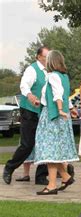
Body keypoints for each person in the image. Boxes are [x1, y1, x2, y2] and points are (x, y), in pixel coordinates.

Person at [34, 50, 79, 195]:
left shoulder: (53, 76)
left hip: (52, 116)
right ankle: (65, 177)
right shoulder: (64, 76)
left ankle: (52, 185)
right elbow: (65, 95)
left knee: (50, 151)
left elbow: (58, 93)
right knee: (54, 151)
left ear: (51, 62)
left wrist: (60, 109)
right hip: (60, 116)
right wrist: (70, 108)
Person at [3, 47, 49, 185]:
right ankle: (9, 167)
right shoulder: (32, 69)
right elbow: (24, 85)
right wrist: (29, 96)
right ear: (39, 57)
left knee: (44, 143)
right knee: (27, 144)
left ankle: (41, 176)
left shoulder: (50, 72)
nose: (48, 59)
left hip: (44, 111)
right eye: (46, 56)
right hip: (29, 110)